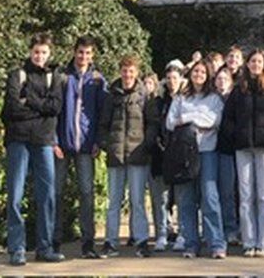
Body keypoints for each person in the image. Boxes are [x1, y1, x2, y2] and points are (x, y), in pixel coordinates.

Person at [1, 32, 66, 266]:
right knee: (16, 195)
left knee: (47, 196)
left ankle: (44, 247)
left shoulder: (55, 77)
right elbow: (10, 110)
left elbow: (55, 107)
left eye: (44, 52)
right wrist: (41, 109)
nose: (40, 56)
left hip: (44, 141)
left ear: (50, 53)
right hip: (18, 140)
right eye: (36, 52)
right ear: (30, 51)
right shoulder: (17, 75)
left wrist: (28, 101)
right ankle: (17, 248)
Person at [221, 49, 264, 258]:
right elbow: (228, 119)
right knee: (245, 196)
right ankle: (249, 241)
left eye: (259, 61)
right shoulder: (238, 89)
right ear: (247, 64)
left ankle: (263, 241)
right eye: (252, 61)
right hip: (242, 147)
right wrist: (236, 134)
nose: (255, 64)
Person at [99, 56, 159, 257]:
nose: (127, 74)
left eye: (131, 70)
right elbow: (103, 124)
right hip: (116, 155)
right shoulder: (110, 95)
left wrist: (147, 143)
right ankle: (110, 241)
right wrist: (106, 144)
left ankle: (142, 240)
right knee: (114, 201)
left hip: (137, 154)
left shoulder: (145, 96)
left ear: (137, 72)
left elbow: (152, 123)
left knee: (138, 201)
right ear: (120, 71)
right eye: (124, 70)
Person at [166, 60, 227, 259]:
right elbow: (169, 122)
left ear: (208, 74)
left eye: (202, 71)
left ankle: (216, 243)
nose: (199, 74)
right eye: (195, 71)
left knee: (210, 197)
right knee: (187, 200)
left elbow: (216, 121)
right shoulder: (181, 98)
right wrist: (188, 121)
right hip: (184, 154)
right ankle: (191, 244)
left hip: (207, 151)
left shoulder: (215, 98)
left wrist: (194, 121)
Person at [53, 37, 105, 259]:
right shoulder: (62, 77)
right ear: (74, 52)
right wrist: (54, 140)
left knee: (86, 193)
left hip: (86, 145)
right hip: (62, 144)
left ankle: (88, 242)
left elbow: (103, 115)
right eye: (80, 52)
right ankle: (53, 240)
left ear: (92, 55)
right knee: (55, 193)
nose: (84, 56)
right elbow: (54, 111)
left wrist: (98, 142)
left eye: (88, 53)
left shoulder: (97, 80)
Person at [150, 60, 184, 252]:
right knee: (161, 198)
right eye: (169, 78)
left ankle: (182, 234)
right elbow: (154, 125)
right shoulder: (158, 102)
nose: (172, 81)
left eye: (175, 78)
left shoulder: (185, 100)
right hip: (160, 154)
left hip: (180, 155)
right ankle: (162, 234)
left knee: (181, 198)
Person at [212, 66, 241, 246]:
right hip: (209, 149)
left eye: (225, 78)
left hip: (228, 150)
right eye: (219, 78)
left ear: (230, 81)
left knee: (228, 192)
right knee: (211, 194)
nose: (221, 81)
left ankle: (231, 229)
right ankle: (215, 229)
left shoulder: (235, 98)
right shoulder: (210, 98)